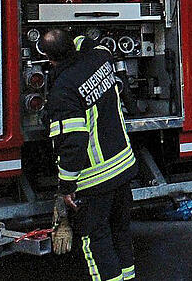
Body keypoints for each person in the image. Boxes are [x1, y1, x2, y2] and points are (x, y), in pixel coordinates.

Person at [41, 29, 137, 281]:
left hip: (95, 179)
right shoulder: (101, 58)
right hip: (124, 167)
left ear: (50, 60)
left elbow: (73, 142)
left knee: (96, 241)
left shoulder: (63, 90)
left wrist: (65, 187)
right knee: (120, 233)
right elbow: (90, 42)